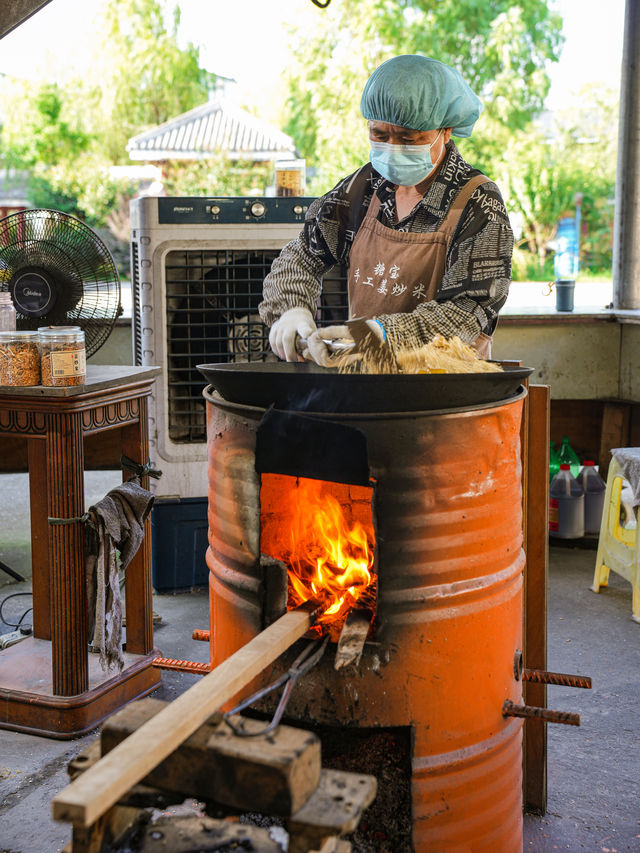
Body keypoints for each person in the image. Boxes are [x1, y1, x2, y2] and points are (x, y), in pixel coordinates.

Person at [259, 54, 513, 366]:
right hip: (366, 382)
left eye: (408, 138)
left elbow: (465, 311)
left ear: (444, 132)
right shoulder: (363, 188)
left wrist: (378, 335)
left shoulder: (477, 202)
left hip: (445, 391)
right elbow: (301, 257)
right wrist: (292, 309)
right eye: (380, 135)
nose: (392, 148)